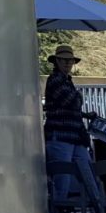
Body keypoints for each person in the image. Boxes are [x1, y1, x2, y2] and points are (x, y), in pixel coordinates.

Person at [42, 45, 87, 203]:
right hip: (60, 136)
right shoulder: (55, 80)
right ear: (57, 62)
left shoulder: (66, 81)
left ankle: (68, 209)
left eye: (70, 61)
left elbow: (73, 104)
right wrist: (78, 97)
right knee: (63, 181)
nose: (67, 63)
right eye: (63, 60)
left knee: (85, 174)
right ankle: (59, 212)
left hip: (72, 136)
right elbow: (72, 102)